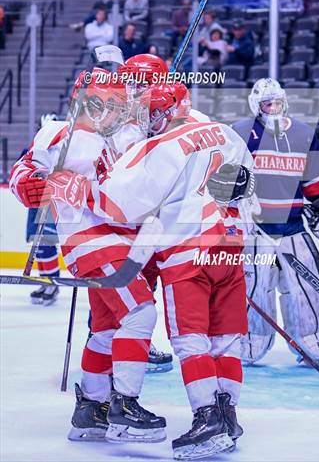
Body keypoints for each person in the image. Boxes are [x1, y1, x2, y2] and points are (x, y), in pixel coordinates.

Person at [44, 79, 255, 460]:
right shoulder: (223, 130)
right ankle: (226, 416)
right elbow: (245, 184)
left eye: (155, 112)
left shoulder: (160, 147)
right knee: (226, 340)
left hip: (185, 252)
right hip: (230, 250)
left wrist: (82, 188)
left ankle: (205, 417)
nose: (150, 119)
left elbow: (122, 205)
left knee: (187, 339)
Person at [9, 48, 168, 444]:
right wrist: (39, 184)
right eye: (99, 102)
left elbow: (159, 137)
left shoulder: (129, 134)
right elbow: (20, 175)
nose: (107, 110)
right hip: (90, 240)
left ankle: (90, 409)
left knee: (107, 328)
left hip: (128, 241)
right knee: (141, 314)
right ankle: (125, 407)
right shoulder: (59, 135)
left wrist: (157, 102)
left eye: (114, 103)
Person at [231, 78, 319, 365]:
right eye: (268, 104)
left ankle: (313, 344)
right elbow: (228, 182)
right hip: (256, 232)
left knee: (305, 290)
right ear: (256, 106)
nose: (274, 108)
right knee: (255, 290)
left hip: (294, 228)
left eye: (278, 102)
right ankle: (249, 343)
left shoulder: (304, 134)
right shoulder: (240, 133)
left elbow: (314, 183)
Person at [22, 113, 62, 306]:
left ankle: (52, 283)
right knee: (38, 245)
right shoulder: (36, 147)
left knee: (46, 243)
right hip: (37, 203)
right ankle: (45, 281)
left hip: (52, 203)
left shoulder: (62, 149)